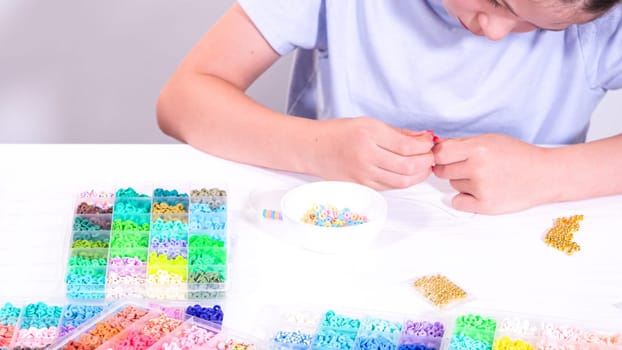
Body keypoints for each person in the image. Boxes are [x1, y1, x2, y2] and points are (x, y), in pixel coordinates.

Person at [156, 0, 622, 215]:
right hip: (330, 235)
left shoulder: (605, 20)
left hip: (524, 252)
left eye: (539, 26)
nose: (495, 30)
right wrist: (315, 149)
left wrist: (551, 174)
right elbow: (183, 99)